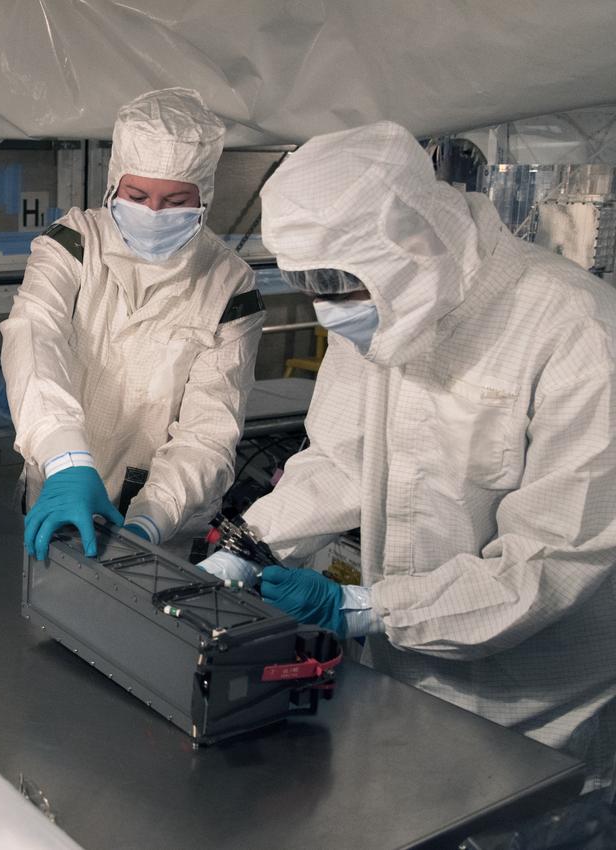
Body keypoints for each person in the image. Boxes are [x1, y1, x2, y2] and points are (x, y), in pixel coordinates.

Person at [199, 121, 616, 789]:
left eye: (337, 279)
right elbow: (341, 457)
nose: (325, 306)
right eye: (309, 281)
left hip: (536, 710)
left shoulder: (578, 333)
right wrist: (253, 543)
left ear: (411, 244)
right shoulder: (375, 303)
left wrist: (366, 609)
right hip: (406, 670)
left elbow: (554, 564)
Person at [1, 88, 265, 560]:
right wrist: (65, 461)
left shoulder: (228, 286)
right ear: (113, 186)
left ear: (204, 198)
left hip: (164, 523)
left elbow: (209, 429)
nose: (154, 214)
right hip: (59, 490)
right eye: (137, 195)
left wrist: (149, 521)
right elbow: (33, 339)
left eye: (176, 200)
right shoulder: (74, 244)